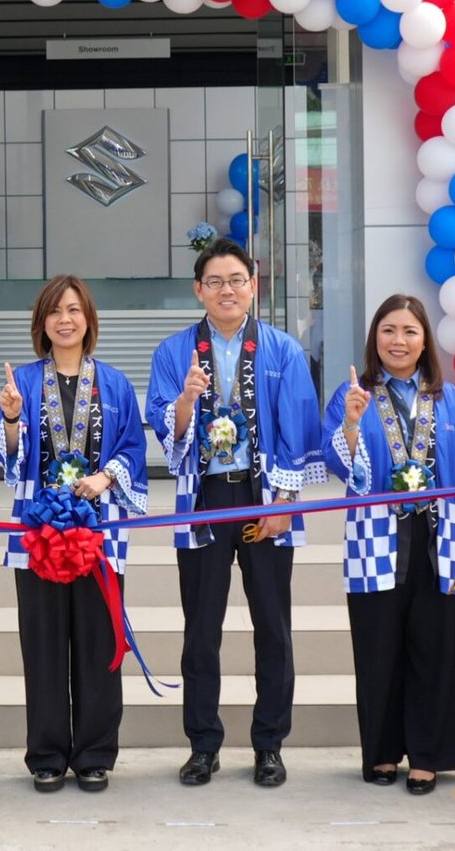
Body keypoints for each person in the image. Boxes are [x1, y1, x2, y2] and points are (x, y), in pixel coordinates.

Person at [145, 238, 323, 789]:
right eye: (216, 282)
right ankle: (203, 745)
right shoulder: (174, 352)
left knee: (273, 626)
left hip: (262, 496)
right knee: (201, 629)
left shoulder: (282, 349)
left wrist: (285, 503)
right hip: (204, 498)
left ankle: (269, 744)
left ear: (253, 286)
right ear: (198, 290)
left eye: (237, 280)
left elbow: (299, 429)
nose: (227, 290)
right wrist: (185, 401)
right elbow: (165, 430)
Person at [321, 294, 455, 796]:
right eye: (389, 330)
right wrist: (351, 425)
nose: (398, 341)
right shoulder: (353, 393)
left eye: (409, 331)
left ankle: (426, 756)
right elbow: (339, 468)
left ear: (425, 341)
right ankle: (382, 752)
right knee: (377, 650)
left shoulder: (448, 398)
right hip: (376, 540)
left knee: (435, 649)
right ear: (374, 338)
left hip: (439, 540)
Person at [0, 275, 148, 793]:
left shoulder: (115, 384)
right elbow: (7, 456)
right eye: (55, 311)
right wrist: (11, 419)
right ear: (41, 322)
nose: (65, 319)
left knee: (99, 643)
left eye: (74, 310)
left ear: (88, 319)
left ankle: (95, 754)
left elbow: (133, 448)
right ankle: (47, 755)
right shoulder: (24, 383)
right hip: (38, 535)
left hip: (98, 534)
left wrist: (106, 477)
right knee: (43, 646)